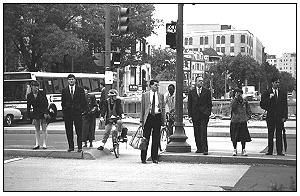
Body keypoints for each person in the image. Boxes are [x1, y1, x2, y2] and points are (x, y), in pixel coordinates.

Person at [260, 76, 288, 156]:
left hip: (279, 117)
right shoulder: (266, 92)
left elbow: (285, 106)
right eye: (276, 82)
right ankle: (270, 151)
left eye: (278, 82)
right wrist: (269, 98)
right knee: (270, 134)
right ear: (272, 83)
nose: (277, 84)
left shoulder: (282, 93)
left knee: (279, 134)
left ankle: (279, 151)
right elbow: (262, 104)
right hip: (271, 116)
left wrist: (284, 117)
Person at [140, 79, 165, 164]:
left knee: (156, 138)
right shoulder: (145, 95)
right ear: (150, 86)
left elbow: (163, 108)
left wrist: (163, 121)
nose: (156, 87)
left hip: (157, 117)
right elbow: (142, 109)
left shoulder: (160, 95)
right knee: (145, 138)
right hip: (148, 117)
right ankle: (143, 157)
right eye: (155, 85)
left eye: (157, 85)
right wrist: (141, 121)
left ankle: (154, 157)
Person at [61, 74, 87, 152]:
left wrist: (82, 110)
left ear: (75, 80)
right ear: (67, 80)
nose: (71, 81)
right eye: (69, 79)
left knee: (79, 130)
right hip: (68, 113)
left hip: (77, 113)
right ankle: (71, 147)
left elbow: (83, 101)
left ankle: (79, 147)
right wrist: (64, 110)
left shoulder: (80, 90)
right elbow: (63, 102)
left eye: (72, 79)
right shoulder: (64, 90)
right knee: (69, 130)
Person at [188, 76, 212, 155]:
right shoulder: (191, 92)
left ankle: (205, 149)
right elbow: (189, 104)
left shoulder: (207, 91)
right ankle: (199, 148)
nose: (201, 82)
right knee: (196, 132)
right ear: (196, 82)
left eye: (202, 81)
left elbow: (209, 104)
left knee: (203, 132)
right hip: (195, 115)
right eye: (199, 81)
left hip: (204, 115)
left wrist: (208, 113)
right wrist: (190, 116)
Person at [27, 80, 49, 150]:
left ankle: (44, 144)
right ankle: (37, 144)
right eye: (34, 86)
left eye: (37, 86)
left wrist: (46, 112)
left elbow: (46, 103)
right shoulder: (29, 95)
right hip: (35, 113)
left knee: (44, 129)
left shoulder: (42, 93)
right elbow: (28, 106)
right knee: (37, 129)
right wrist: (29, 116)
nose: (36, 88)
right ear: (31, 87)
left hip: (42, 112)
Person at [230, 88, 252, 156]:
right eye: (237, 93)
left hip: (242, 121)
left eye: (240, 93)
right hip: (235, 121)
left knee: (243, 136)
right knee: (234, 136)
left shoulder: (245, 102)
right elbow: (233, 108)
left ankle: (243, 149)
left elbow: (248, 110)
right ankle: (234, 149)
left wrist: (247, 117)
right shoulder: (233, 101)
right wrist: (235, 99)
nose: (239, 95)